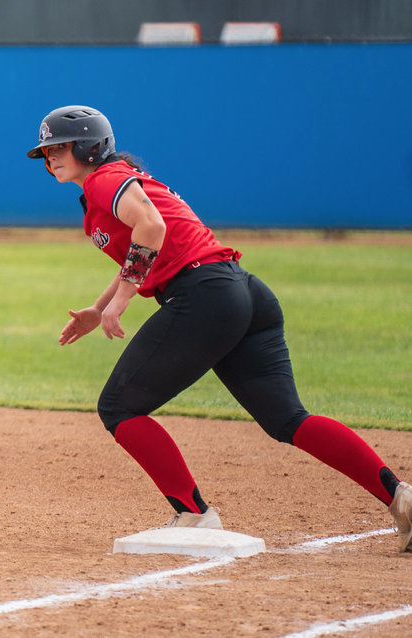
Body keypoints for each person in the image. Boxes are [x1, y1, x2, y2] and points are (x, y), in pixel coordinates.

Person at [28, 105, 411, 551]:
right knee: (288, 419)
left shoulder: (104, 179)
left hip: (204, 295)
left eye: (59, 146)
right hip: (242, 292)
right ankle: (401, 496)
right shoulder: (117, 180)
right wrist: (100, 307)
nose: (51, 156)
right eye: (47, 150)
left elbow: (149, 226)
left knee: (118, 407)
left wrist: (126, 298)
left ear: (90, 146)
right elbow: (149, 238)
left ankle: (194, 514)